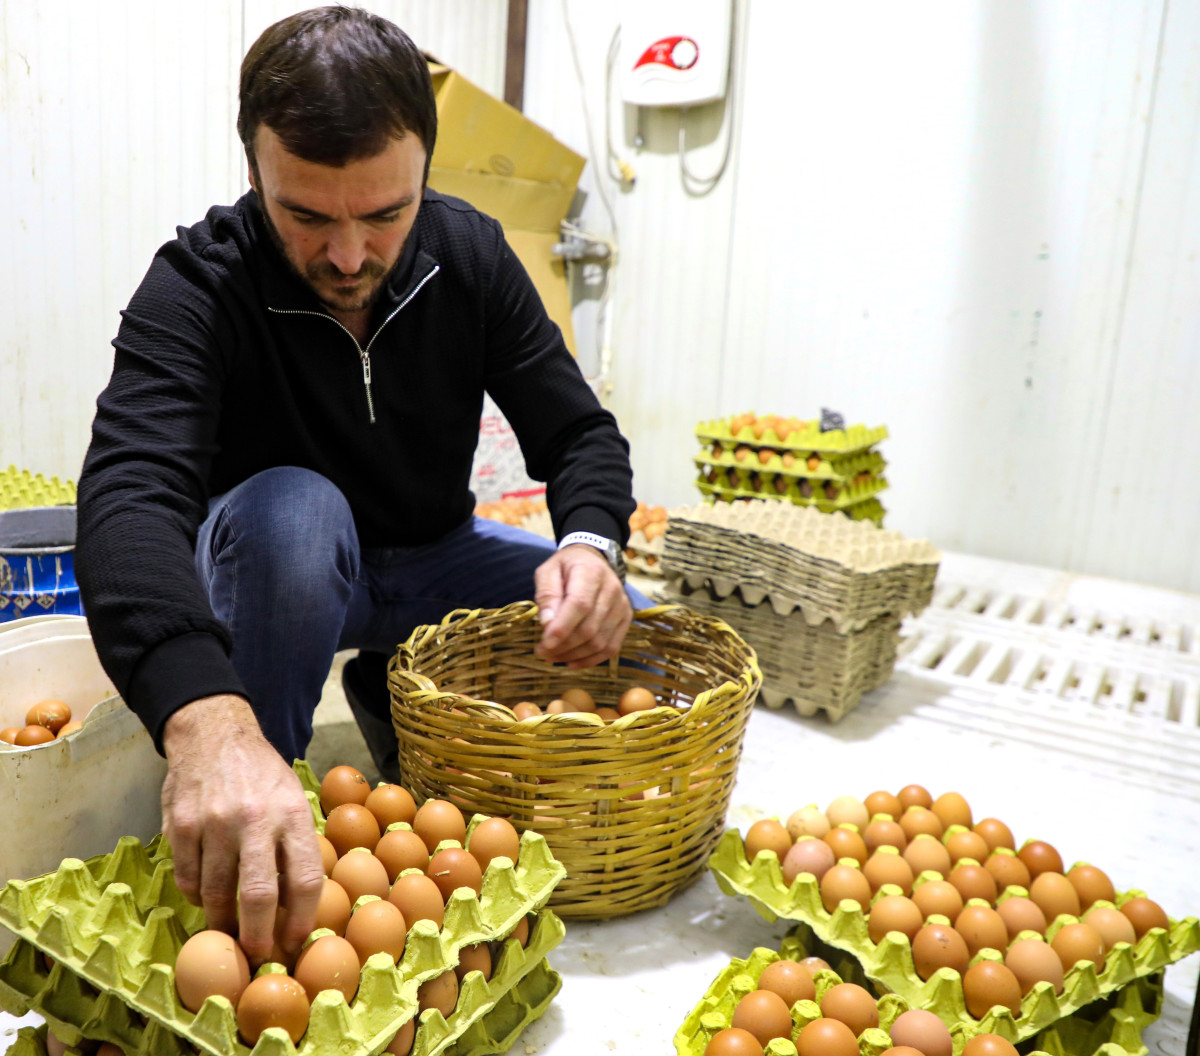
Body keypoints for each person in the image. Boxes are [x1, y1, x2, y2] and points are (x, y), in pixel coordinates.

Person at [75, 6, 646, 966]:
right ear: (256, 175)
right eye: (306, 215)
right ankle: (264, 785)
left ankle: (391, 690)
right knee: (297, 513)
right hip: (275, 567)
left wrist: (591, 545)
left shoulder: (467, 256)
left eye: (386, 213)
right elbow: (128, 498)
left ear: (425, 167)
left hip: (429, 560)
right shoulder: (199, 283)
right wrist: (204, 719)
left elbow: (578, 431)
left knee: (607, 612)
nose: (350, 256)